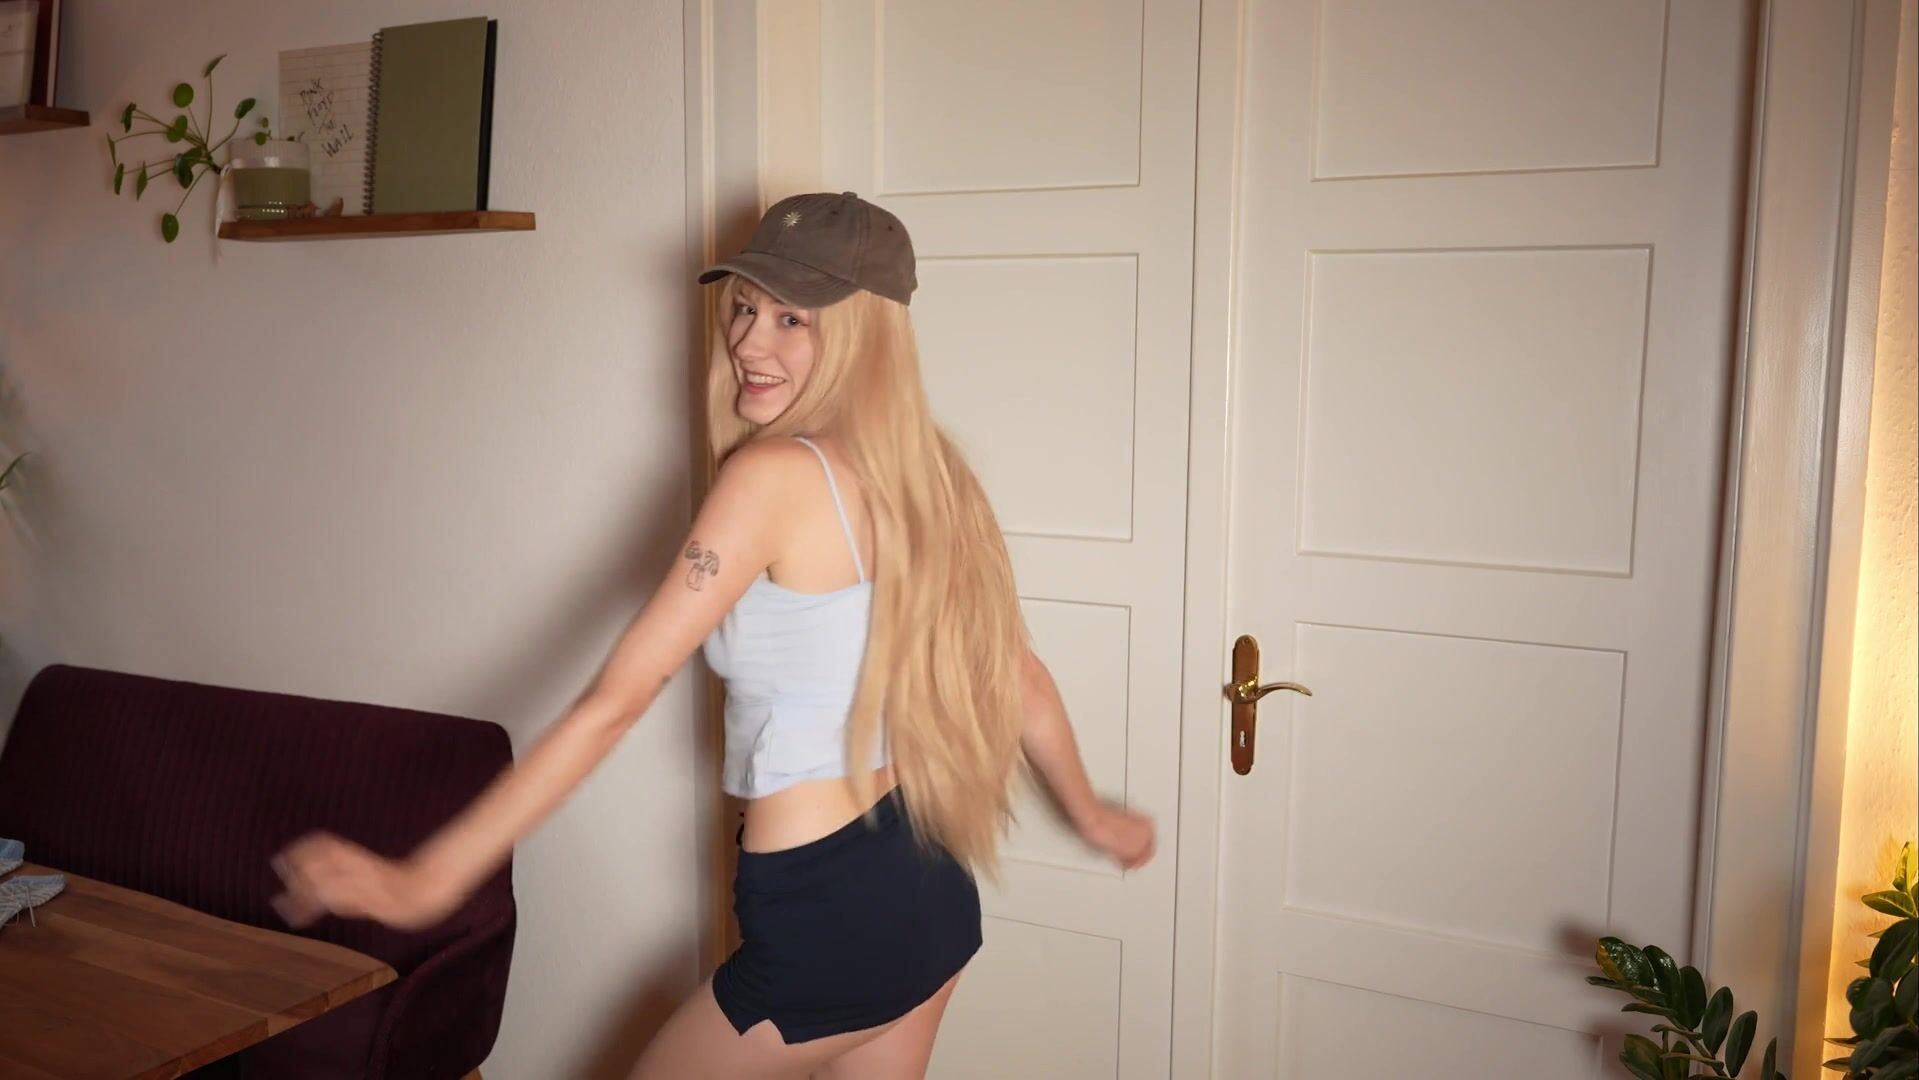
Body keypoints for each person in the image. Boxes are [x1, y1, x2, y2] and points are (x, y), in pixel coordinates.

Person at [270, 191, 1156, 1078]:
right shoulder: (931, 474)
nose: (748, 343)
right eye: (744, 308)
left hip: (822, 916)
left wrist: (425, 880)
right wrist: (1090, 815)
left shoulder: (772, 476)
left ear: (863, 331)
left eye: (791, 319)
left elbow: (616, 702)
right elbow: (1018, 677)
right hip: (924, 888)